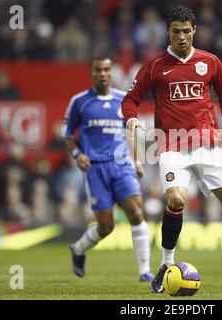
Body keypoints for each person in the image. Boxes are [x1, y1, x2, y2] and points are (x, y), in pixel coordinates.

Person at [122, 6, 222, 293]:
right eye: (176, 32)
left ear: (194, 30)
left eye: (186, 31)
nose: (181, 37)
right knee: (175, 199)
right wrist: (132, 119)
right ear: (167, 32)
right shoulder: (155, 65)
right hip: (172, 144)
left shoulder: (209, 61)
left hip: (207, 143)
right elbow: (130, 99)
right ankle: (165, 265)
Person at [63, 57, 154, 282]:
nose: (102, 74)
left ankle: (145, 271)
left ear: (111, 72)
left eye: (106, 70)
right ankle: (78, 249)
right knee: (106, 226)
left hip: (121, 164)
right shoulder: (79, 101)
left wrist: (137, 161)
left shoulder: (123, 100)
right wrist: (77, 155)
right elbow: (67, 134)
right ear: (92, 73)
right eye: (98, 70)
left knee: (136, 211)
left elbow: (130, 133)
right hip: (95, 168)